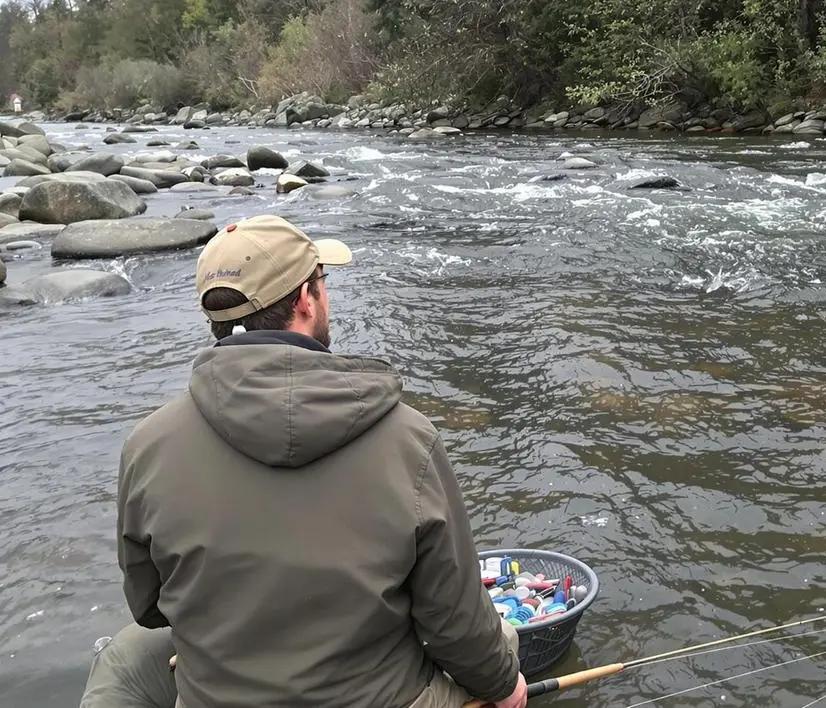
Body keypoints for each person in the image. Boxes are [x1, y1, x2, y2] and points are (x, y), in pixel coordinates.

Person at [114, 215, 527, 708]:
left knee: (132, 653)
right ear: (308, 300)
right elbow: (455, 624)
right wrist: (505, 687)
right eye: (322, 281)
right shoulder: (408, 437)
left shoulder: (147, 444)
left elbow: (148, 606)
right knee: (502, 637)